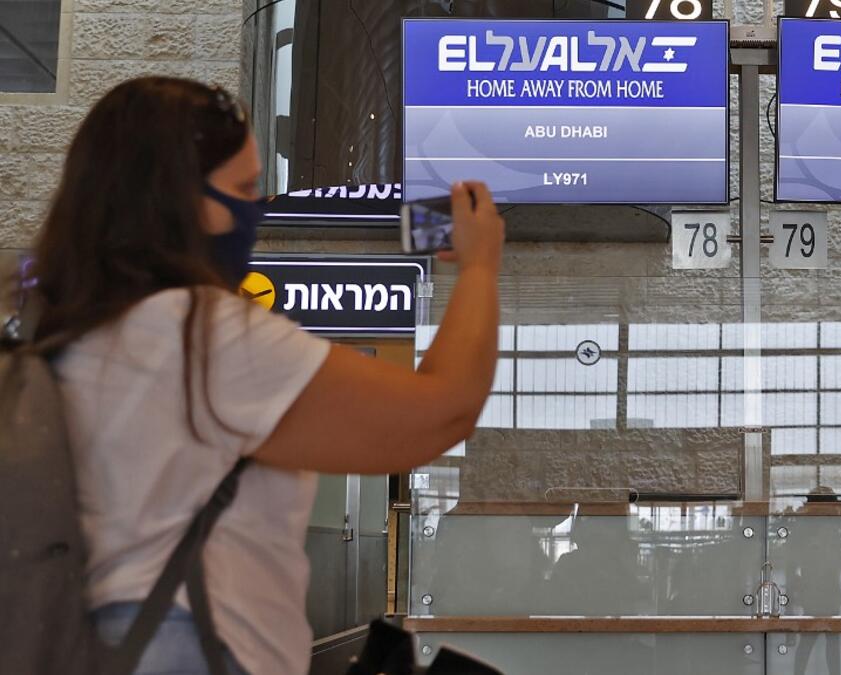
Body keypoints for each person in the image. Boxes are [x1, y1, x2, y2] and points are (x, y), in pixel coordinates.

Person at [27, 77, 505, 675]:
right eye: (246, 189)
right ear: (181, 199)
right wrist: (480, 266)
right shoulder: (199, 333)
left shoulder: (78, 329)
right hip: (193, 647)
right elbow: (440, 413)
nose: (257, 209)